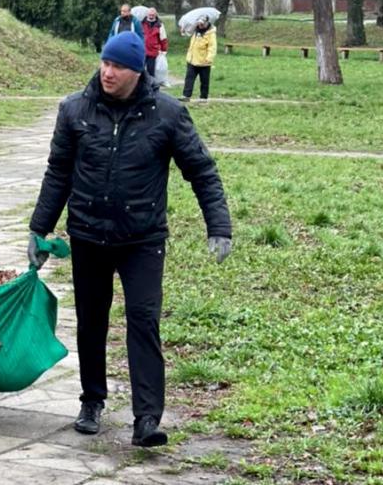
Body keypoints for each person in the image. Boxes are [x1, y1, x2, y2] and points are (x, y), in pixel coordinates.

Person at [27, 31, 231, 448]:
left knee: (142, 321)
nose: (108, 72)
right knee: (91, 321)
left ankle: (147, 417)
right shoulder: (74, 109)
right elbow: (58, 172)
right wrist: (39, 228)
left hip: (142, 239)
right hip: (87, 234)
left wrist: (219, 226)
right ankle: (92, 401)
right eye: (105, 62)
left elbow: (202, 171)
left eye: (118, 66)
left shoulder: (167, 114)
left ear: (137, 71)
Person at [181, 14, 217, 102]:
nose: (200, 25)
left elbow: (212, 47)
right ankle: (186, 96)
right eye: (199, 23)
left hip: (204, 61)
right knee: (189, 78)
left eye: (202, 23)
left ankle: (203, 97)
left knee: (204, 80)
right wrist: (183, 31)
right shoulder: (196, 29)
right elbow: (187, 33)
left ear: (206, 23)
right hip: (192, 59)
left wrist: (209, 59)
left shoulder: (210, 33)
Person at [141, 7, 168, 79]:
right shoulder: (142, 23)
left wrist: (164, 50)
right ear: (147, 14)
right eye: (150, 14)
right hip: (142, 50)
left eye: (153, 14)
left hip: (153, 51)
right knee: (140, 70)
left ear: (155, 15)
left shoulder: (160, 25)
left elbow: (163, 38)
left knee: (151, 72)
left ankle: (151, 87)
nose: (151, 15)